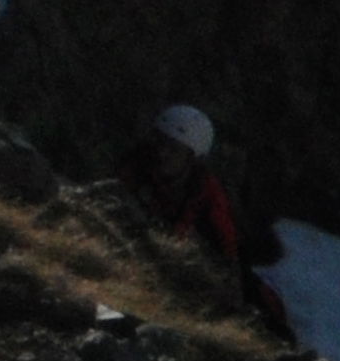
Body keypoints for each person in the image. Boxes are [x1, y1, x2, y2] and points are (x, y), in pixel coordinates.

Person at [117, 104, 292, 339]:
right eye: (160, 143)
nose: (162, 153)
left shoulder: (207, 195)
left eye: (173, 148)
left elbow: (228, 256)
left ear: (191, 158)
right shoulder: (136, 166)